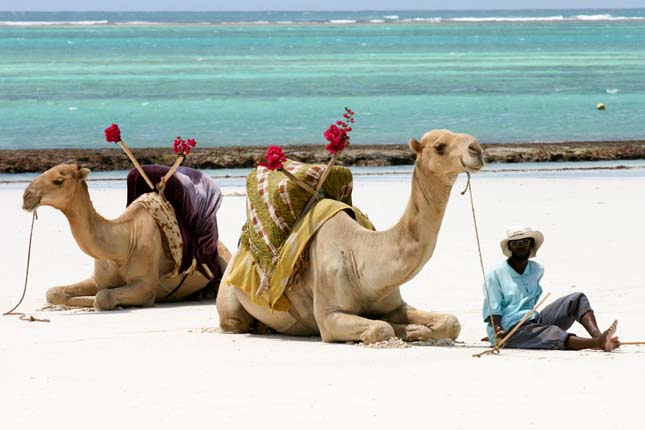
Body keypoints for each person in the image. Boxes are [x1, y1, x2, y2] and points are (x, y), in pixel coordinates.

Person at [482, 225, 620, 351]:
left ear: (531, 245)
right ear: (510, 247)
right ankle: (597, 343)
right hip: (509, 330)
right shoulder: (497, 272)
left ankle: (600, 336)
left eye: (525, 242)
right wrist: (496, 330)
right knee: (552, 332)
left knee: (576, 299)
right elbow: (492, 307)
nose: (520, 246)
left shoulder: (536, 269)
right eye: (515, 243)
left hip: (533, 320)